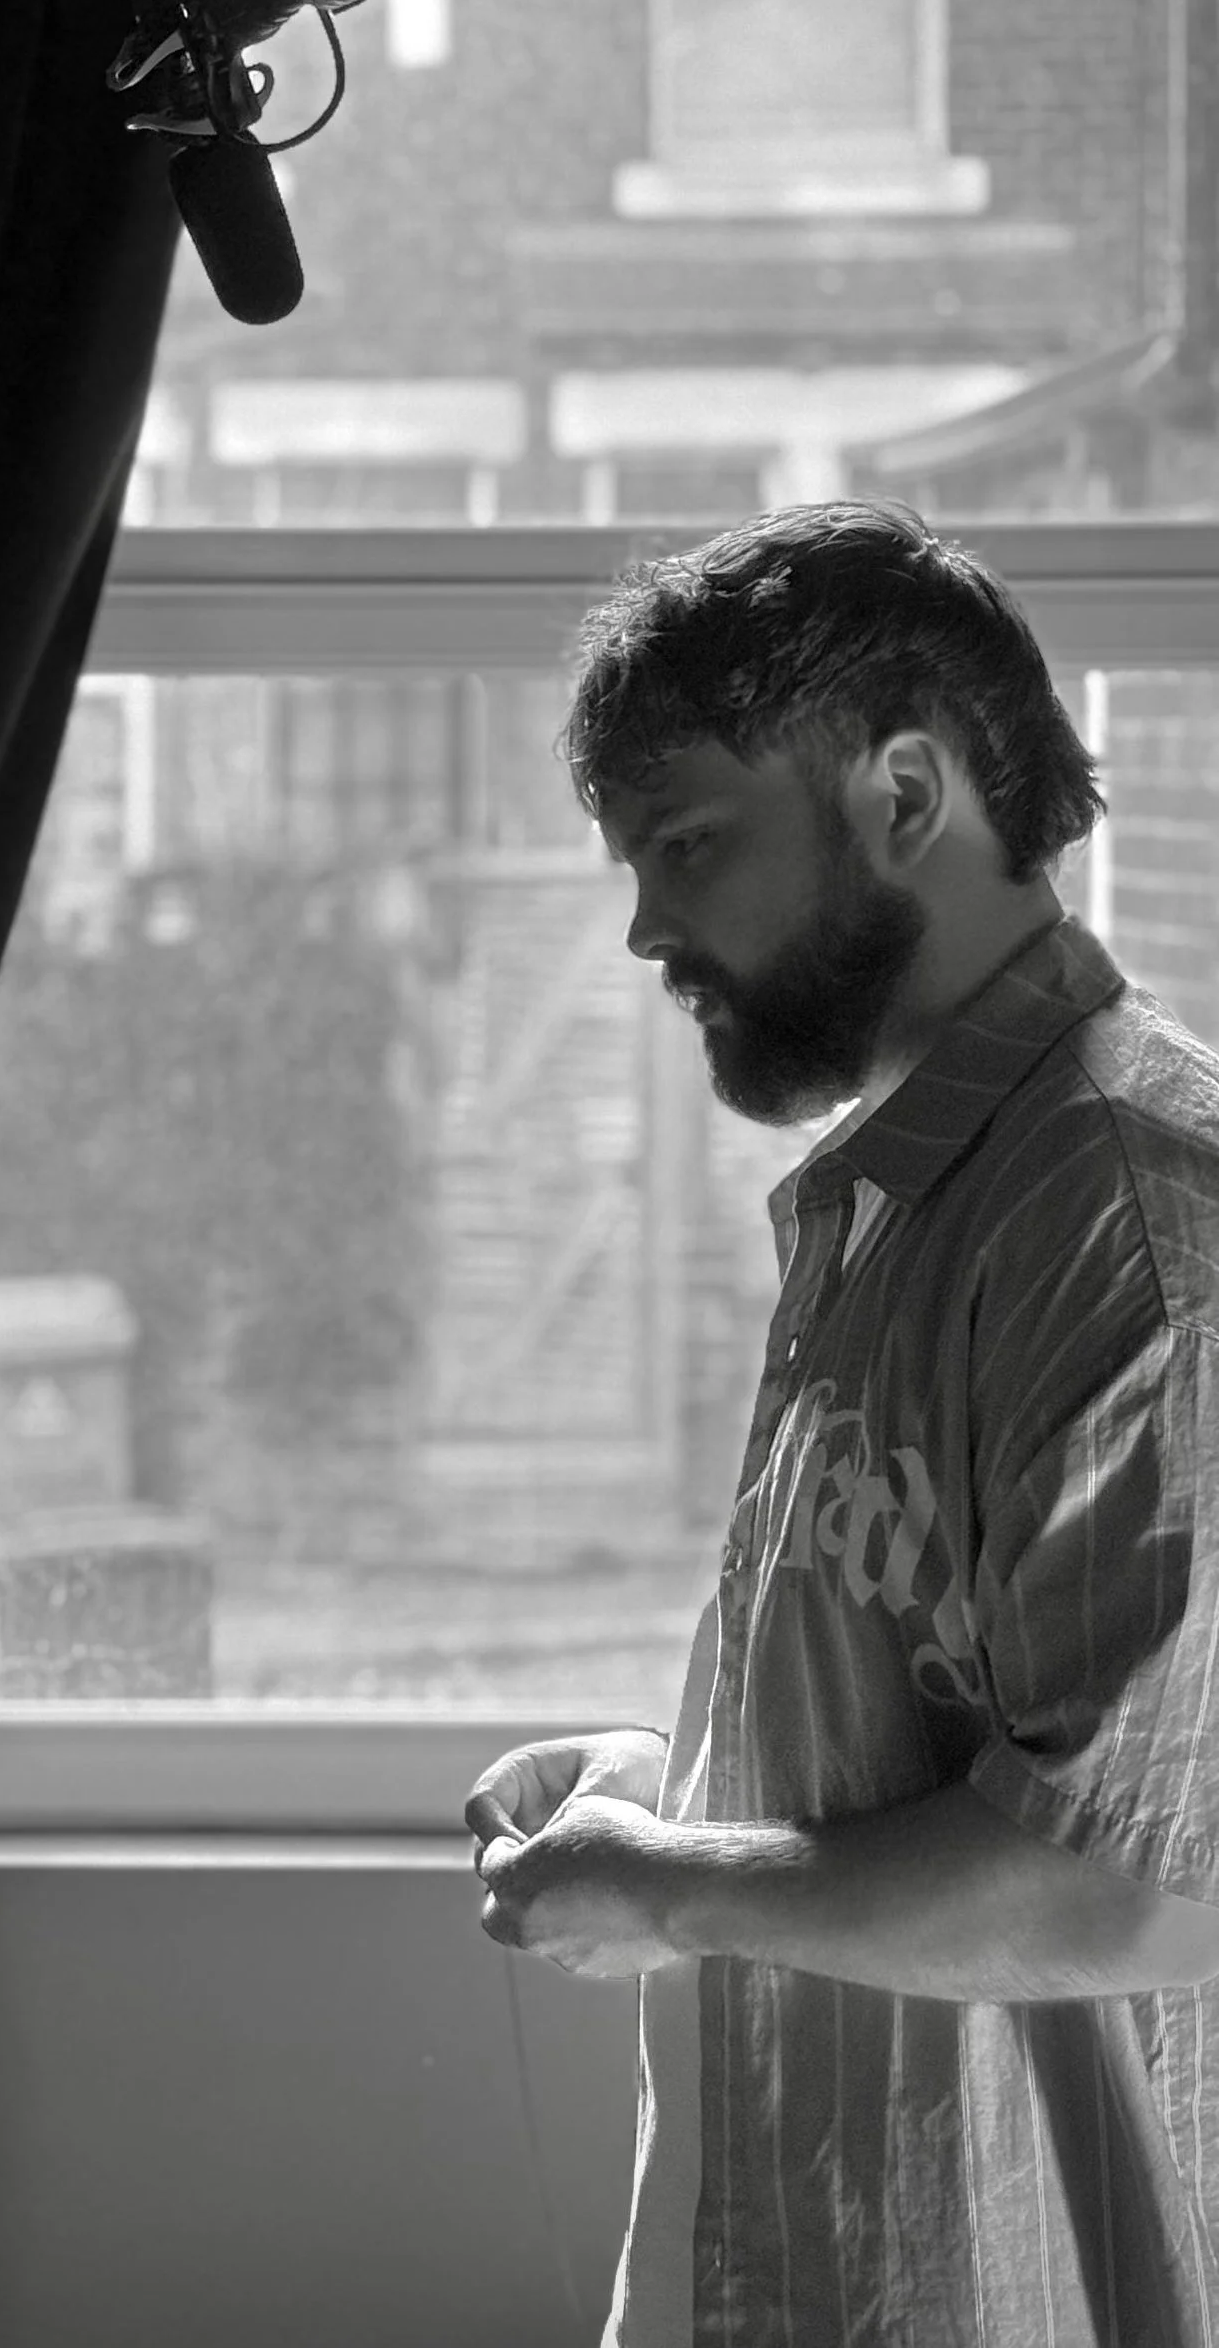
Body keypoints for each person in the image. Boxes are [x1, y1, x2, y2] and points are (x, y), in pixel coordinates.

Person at [464, 498, 1219, 2342]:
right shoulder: (893, 1196)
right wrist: (688, 1792)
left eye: (690, 845)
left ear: (903, 794)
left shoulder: (1123, 1221)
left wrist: (669, 1885)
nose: (643, 924)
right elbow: (970, 1726)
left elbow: (1132, 1882)